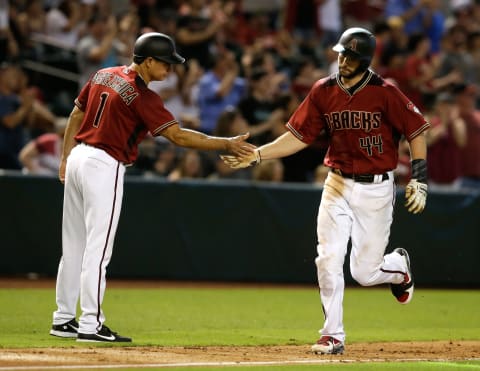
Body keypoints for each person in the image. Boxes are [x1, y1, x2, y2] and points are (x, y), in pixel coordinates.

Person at [221, 27, 430, 355]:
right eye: (341, 53)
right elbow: (298, 136)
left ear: (365, 60)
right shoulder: (323, 90)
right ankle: (332, 334)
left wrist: (419, 176)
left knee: (364, 272)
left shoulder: (385, 92)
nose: (342, 59)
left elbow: (417, 131)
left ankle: (398, 267)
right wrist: (258, 154)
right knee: (328, 257)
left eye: (350, 56)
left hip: (376, 188)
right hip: (336, 182)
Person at [49, 32, 255, 343]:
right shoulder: (143, 96)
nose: (170, 70)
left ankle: (64, 318)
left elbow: (77, 113)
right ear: (147, 62)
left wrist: (65, 158)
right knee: (98, 249)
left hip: (79, 156)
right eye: (166, 63)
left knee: (74, 245)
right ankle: (90, 324)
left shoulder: (104, 74)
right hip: (103, 163)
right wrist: (225, 143)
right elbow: (179, 137)